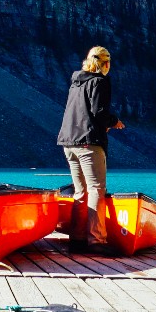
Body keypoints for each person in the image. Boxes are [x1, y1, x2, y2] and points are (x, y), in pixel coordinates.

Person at [57, 45, 124, 250]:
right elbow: (99, 112)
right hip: (89, 143)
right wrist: (114, 122)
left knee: (80, 191)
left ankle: (76, 239)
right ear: (105, 63)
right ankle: (96, 240)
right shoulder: (100, 81)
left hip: (69, 141)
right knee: (96, 189)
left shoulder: (76, 82)